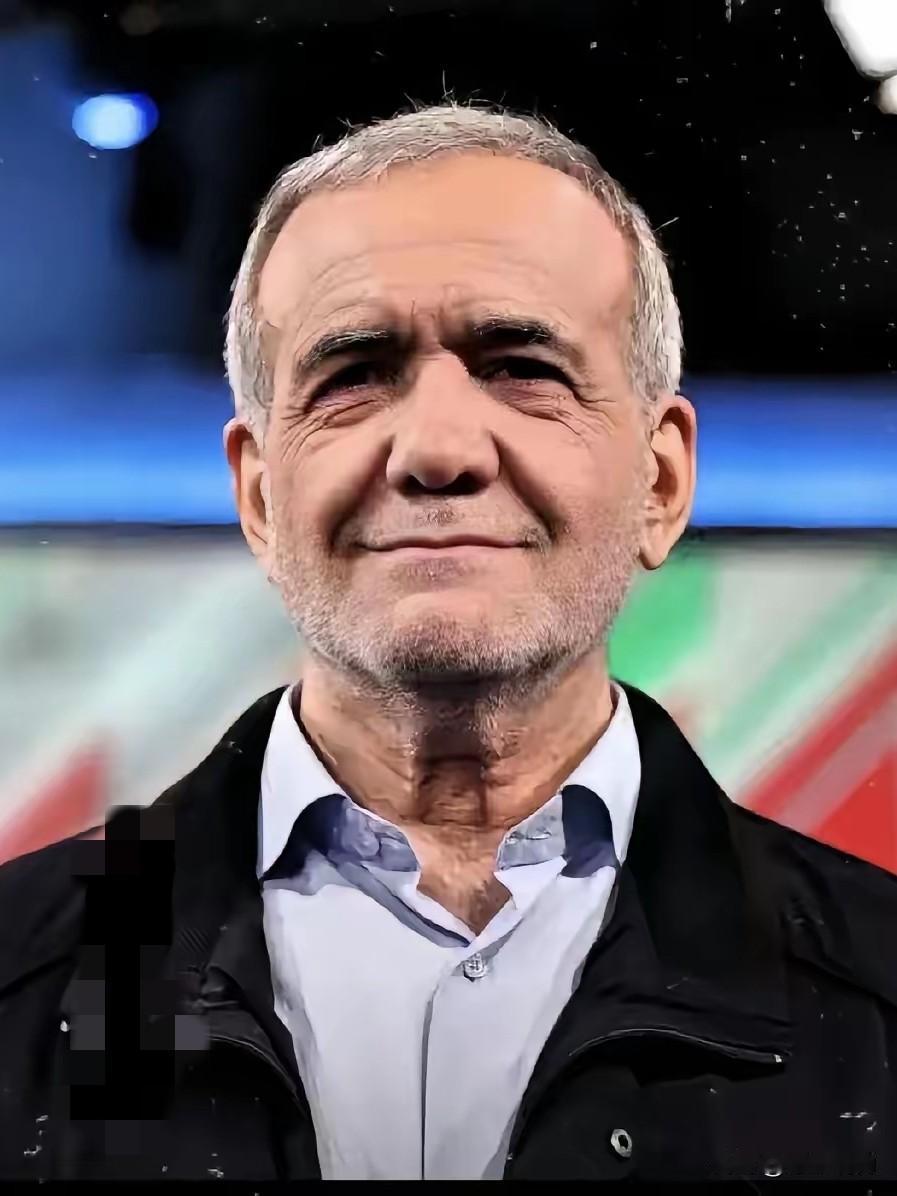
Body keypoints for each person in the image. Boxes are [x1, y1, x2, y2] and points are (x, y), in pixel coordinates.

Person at [1, 102, 895, 1183]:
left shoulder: (876, 990)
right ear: (259, 498)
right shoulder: (19, 979)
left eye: (521, 365)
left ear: (660, 483)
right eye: (353, 374)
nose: (436, 448)